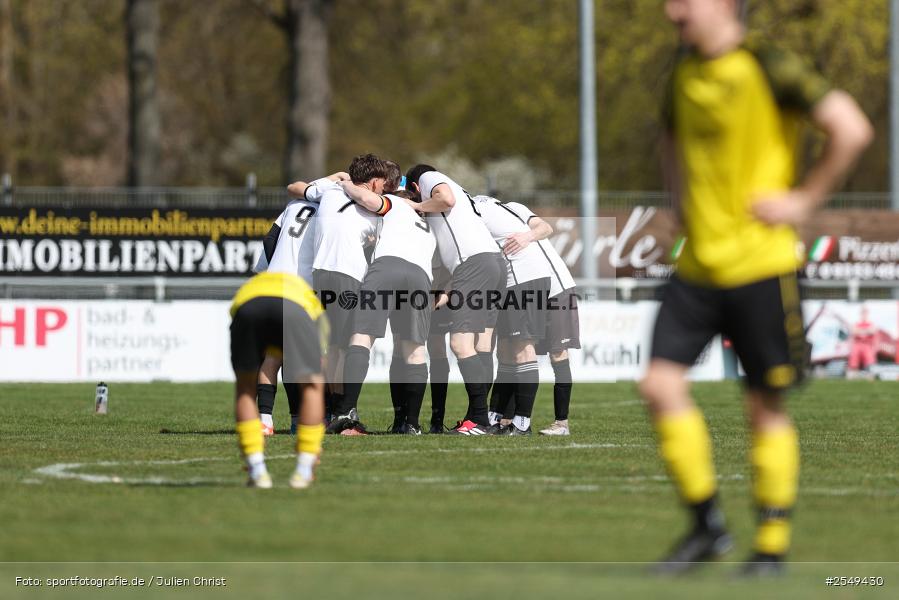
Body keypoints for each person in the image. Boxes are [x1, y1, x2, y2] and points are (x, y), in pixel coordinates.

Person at [641, 0, 873, 575]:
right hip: (697, 268)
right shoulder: (680, 73)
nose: (671, 11)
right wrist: (680, 206)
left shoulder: (770, 65)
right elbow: (670, 142)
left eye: (685, 0)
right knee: (659, 386)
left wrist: (805, 200)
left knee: (763, 407)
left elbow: (851, 128)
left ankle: (771, 546)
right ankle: (707, 527)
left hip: (762, 268)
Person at [405, 164, 507, 435]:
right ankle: (477, 417)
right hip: (490, 262)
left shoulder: (428, 178)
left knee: (460, 344)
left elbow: (445, 199)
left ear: (415, 186)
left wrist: (416, 206)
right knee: (480, 344)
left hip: (474, 264)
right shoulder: (459, 196)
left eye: (413, 194)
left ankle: (480, 420)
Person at [253, 171, 349, 436]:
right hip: (303, 289)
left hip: (273, 284)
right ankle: (311, 418)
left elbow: (269, 241)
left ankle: (265, 420)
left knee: (273, 356)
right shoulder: (333, 211)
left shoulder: (293, 205)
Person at [337, 184, 437, 435]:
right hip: (421, 277)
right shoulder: (429, 228)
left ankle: (347, 411)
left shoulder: (395, 204)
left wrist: (345, 184)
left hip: (387, 267)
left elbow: (364, 197)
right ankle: (411, 424)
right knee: (414, 350)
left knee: (361, 337)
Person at [479, 199, 580, 436]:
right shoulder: (489, 222)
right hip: (526, 285)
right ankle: (505, 418)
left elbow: (545, 227)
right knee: (513, 350)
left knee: (558, 353)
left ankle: (561, 423)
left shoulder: (514, 207)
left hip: (557, 288)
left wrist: (527, 237)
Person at [229, 271, 328, 489]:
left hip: (248, 307)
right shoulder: (309, 296)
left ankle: (257, 470)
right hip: (295, 309)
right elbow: (320, 363)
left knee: (245, 390)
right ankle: (304, 469)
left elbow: (235, 312)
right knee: (312, 387)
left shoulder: (252, 285)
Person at [311, 154, 387, 434]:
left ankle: (330, 411)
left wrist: (337, 178)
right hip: (347, 275)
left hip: (321, 272)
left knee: (332, 348)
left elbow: (302, 188)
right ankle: (343, 415)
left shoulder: (329, 191)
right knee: (344, 348)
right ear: (374, 181)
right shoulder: (374, 206)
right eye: (382, 183)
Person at [472, 195, 553, 436]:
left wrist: (527, 236)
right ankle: (497, 417)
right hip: (509, 282)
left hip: (526, 278)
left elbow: (545, 227)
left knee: (523, 349)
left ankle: (522, 422)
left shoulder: (507, 208)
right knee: (506, 351)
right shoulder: (484, 209)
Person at [846, 306, 877, 379]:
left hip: (867, 345)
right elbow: (854, 331)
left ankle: (870, 376)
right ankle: (853, 375)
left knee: (869, 359)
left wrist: (860, 331)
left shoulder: (871, 324)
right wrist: (866, 331)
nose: (864, 314)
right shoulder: (856, 324)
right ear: (860, 314)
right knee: (854, 358)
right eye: (863, 313)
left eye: (865, 313)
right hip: (857, 344)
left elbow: (872, 331)